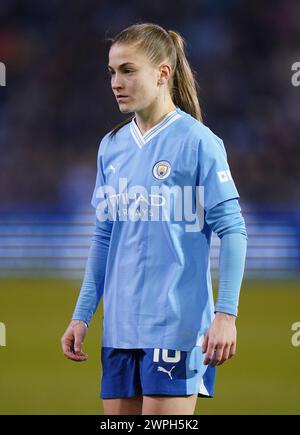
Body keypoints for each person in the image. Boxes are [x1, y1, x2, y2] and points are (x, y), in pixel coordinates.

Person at [61, 22, 247, 416]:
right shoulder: (111, 147)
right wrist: (82, 315)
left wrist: (226, 315)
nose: (116, 82)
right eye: (112, 72)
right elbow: (104, 239)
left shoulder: (198, 142)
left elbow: (233, 231)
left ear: (163, 73)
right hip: (119, 330)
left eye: (128, 70)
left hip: (177, 330)